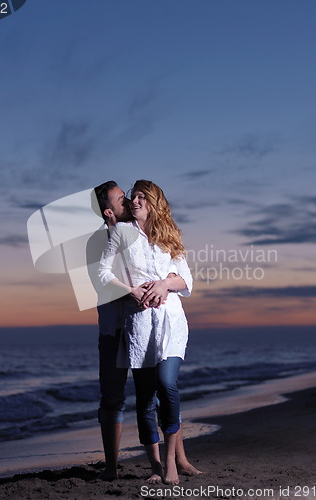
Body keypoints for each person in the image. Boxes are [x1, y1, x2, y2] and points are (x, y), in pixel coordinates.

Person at [91, 181, 201, 483]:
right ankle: (119, 467)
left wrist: (165, 282)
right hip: (120, 327)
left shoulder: (154, 233)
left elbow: (182, 275)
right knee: (121, 398)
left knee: (165, 386)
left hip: (162, 320)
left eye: (135, 197)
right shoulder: (108, 238)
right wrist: (132, 292)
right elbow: (101, 279)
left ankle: (177, 460)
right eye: (124, 199)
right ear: (109, 211)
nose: (130, 201)